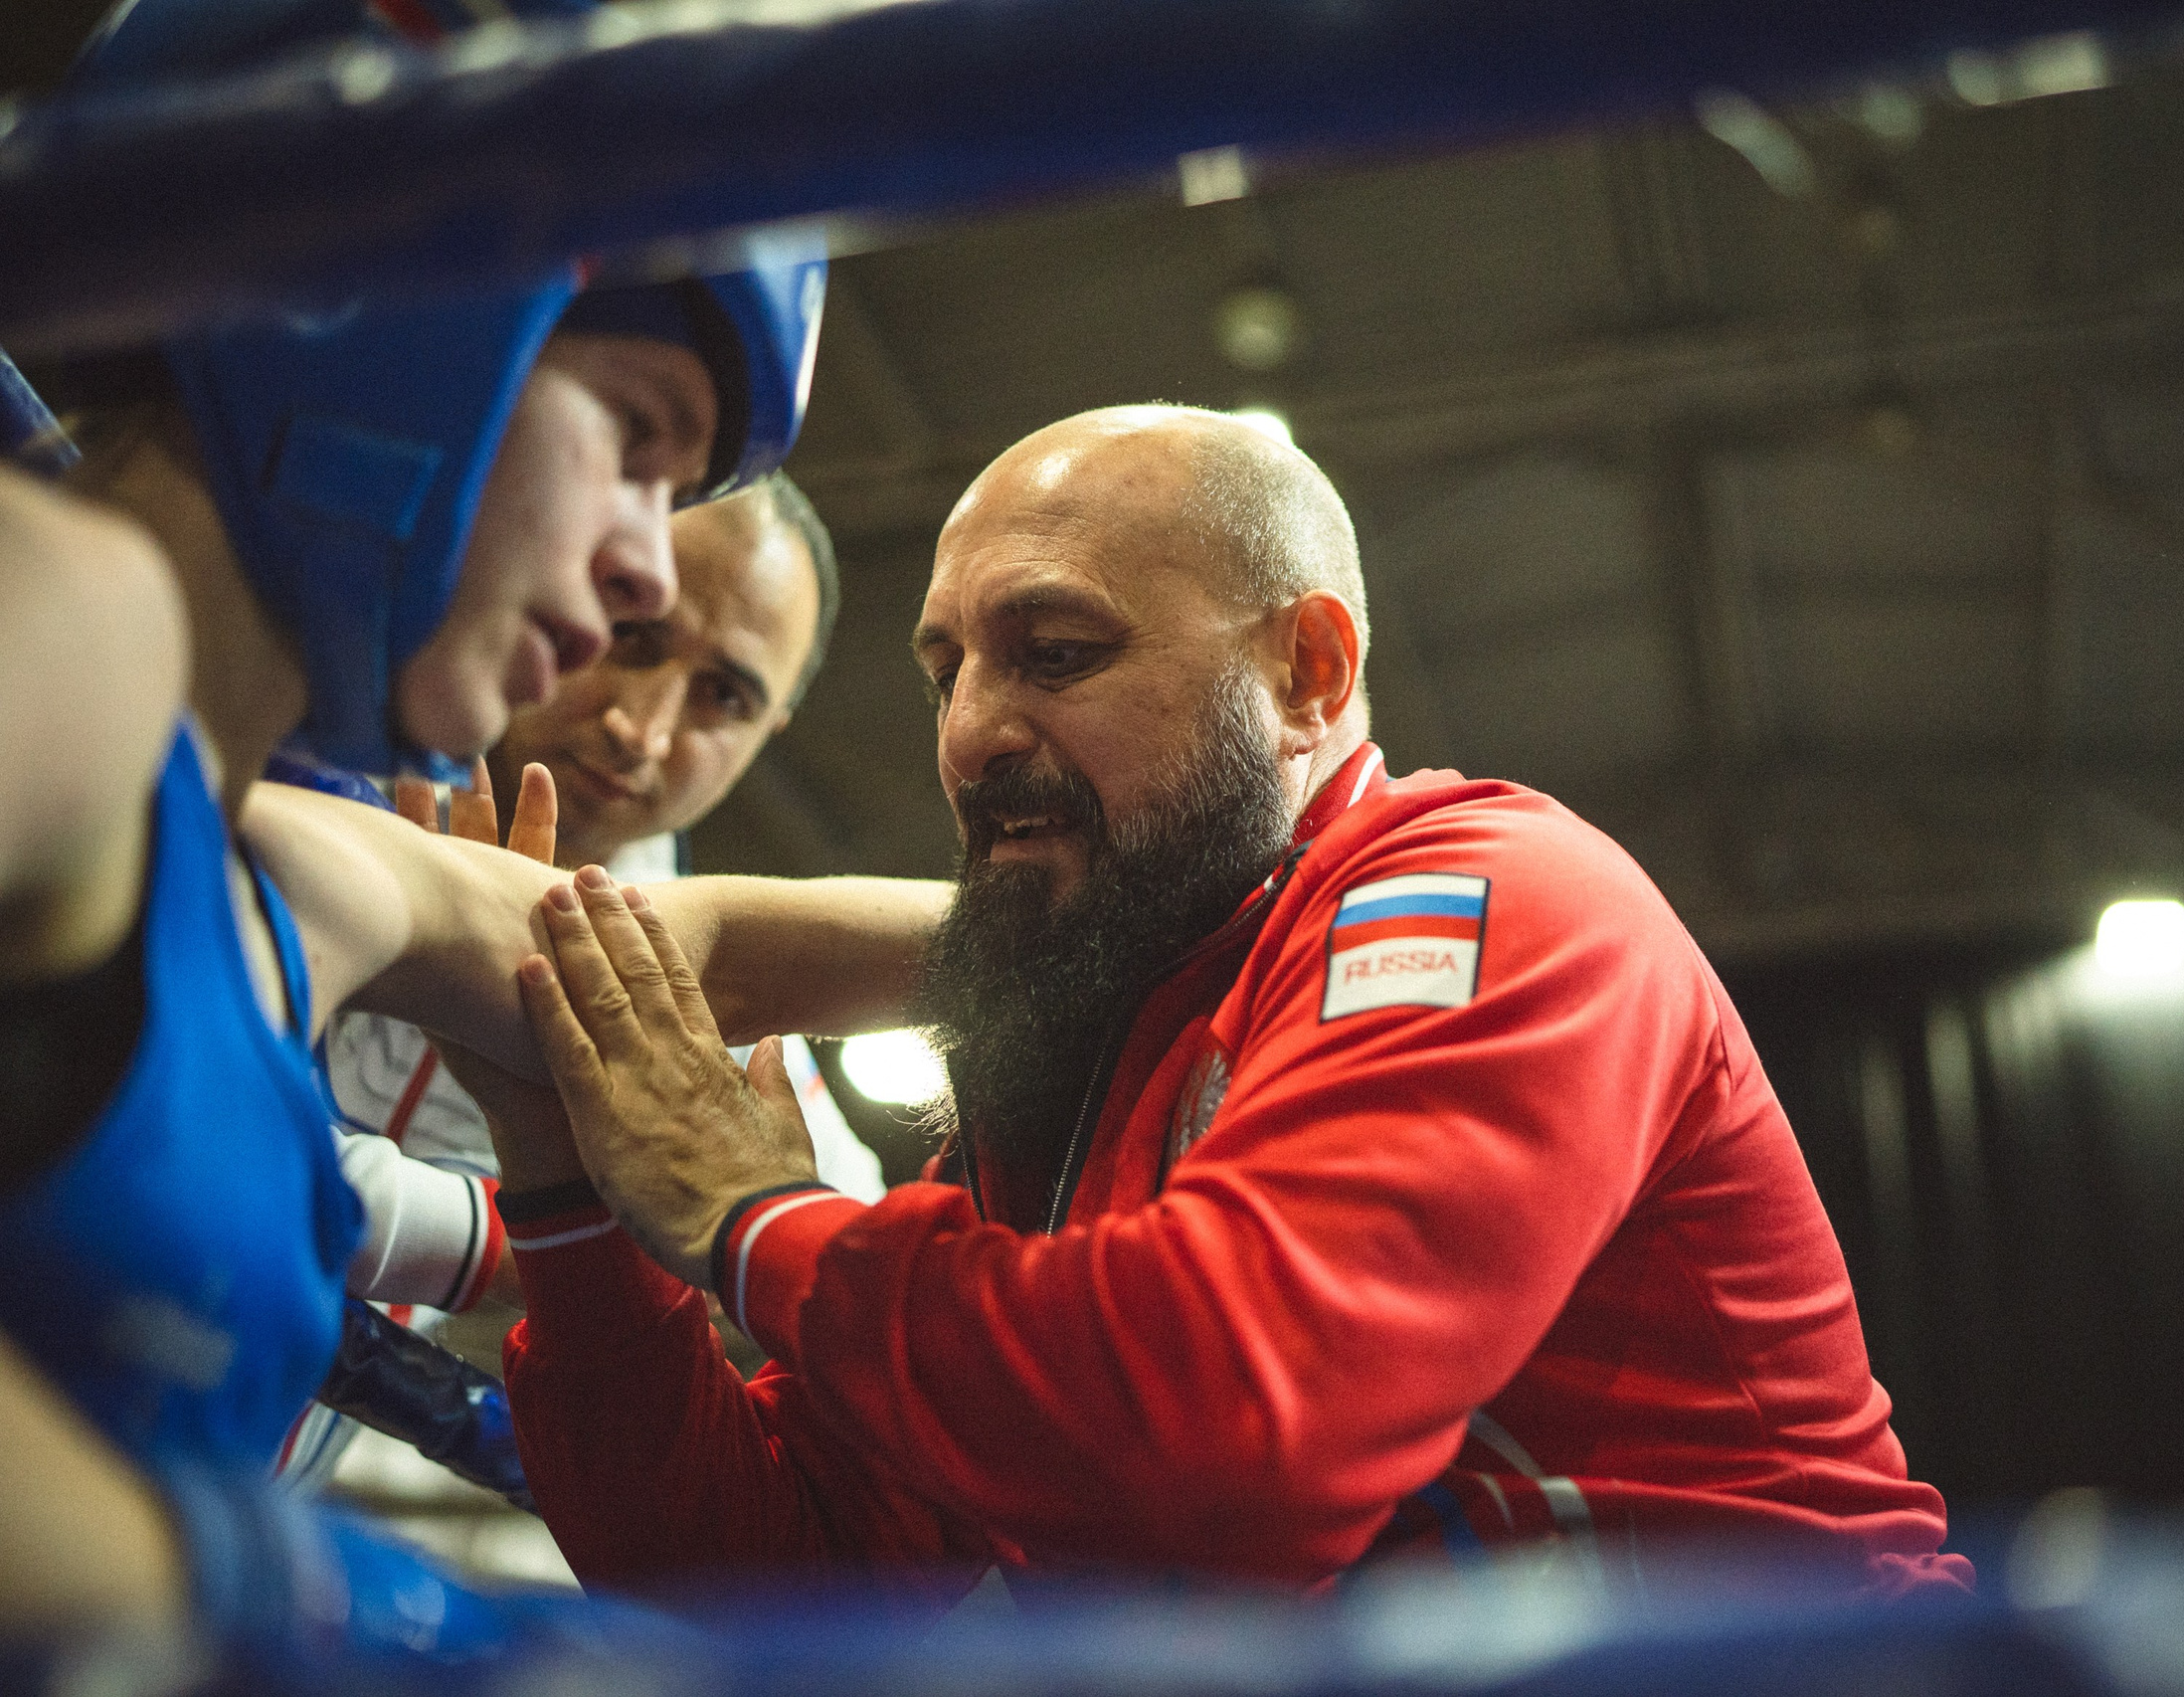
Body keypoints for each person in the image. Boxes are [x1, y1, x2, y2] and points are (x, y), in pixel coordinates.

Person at [474, 405, 1977, 1598]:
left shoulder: (1487, 893)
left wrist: (752, 1210)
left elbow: (1229, 1446)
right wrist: (569, 1191)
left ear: (1309, 671)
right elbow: (759, 1582)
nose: (975, 732)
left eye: (1056, 654)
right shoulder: (1079, 1055)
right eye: (947, 672)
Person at [0, 0, 835, 1643]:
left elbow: (699, 946)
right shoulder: (75, 614)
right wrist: (248, 1606)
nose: (646, 567)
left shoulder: (269, 848)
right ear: (390, 316)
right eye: (635, 442)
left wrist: (1220, 903)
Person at [276, 475, 883, 1488]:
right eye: (635, 632)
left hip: (204, 1535)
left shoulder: (710, 1020)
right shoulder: (286, 756)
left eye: (723, 695)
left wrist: (735, 1276)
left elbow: (854, 1295)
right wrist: (534, 1249)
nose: (639, 728)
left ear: (770, 728)